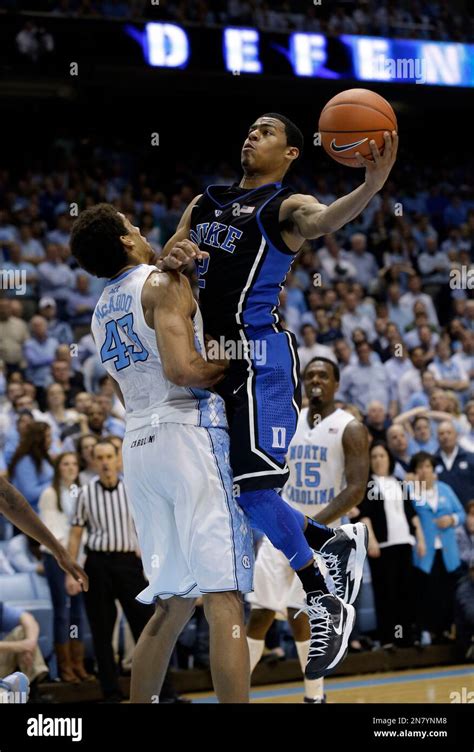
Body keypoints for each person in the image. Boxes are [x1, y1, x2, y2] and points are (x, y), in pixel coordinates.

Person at [162, 113, 397, 677]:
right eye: (250, 128)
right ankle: (328, 544)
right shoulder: (206, 202)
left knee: (254, 489)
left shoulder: (285, 205)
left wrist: (368, 187)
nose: (251, 134)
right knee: (247, 498)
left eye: (267, 132)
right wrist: (173, 257)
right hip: (216, 361)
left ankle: (321, 594)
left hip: (261, 358)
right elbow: (168, 252)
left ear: (291, 153)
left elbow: (320, 222)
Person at [70, 206, 253, 703]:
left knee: (171, 604)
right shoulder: (162, 284)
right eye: (133, 226)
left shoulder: (100, 310)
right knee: (224, 597)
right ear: (128, 241)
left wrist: (185, 228)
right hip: (188, 435)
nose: (141, 231)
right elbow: (183, 370)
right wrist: (243, 354)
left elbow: (137, 389)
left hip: (139, 444)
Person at [247, 357, 369, 701]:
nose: (315, 379)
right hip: (280, 529)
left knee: (305, 614)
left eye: (323, 375)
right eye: (309, 374)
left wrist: (316, 527)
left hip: (322, 537)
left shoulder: (351, 427)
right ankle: (236, 690)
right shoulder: (289, 419)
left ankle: (315, 696)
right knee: (259, 611)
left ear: (336, 383)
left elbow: (357, 488)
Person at [356, 442, 425, 648]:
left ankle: (406, 636)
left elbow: (412, 515)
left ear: (389, 458)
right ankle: (388, 638)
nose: (378, 460)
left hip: (404, 543)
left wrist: (420, 539)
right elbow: (364, 516)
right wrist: (373, 541)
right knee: (386, 593)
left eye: (382, 456)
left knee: (406, 591)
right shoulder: (368, 484)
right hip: (383, 546)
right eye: (374, 456)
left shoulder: (399, 483)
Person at [38, 452, 91, 683]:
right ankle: (64, 667)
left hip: (77, 558)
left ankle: (78, 664)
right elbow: (52, 531)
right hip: (56, 558)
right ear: (58, 468)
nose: (70, 468)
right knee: (62, 611)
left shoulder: (80, 492)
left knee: (77, 614)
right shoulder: (50, 494)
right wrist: (69, 563)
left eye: (74, 464)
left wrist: (78, 559)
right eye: (65, 464)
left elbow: (84, 530)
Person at [410, 451, 466, 644]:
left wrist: (451, 519)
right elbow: (408, 515)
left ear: (434, 470)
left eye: (427, 466)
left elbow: (462, 513)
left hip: (448, 549)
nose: (424, 471)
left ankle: (447, 630)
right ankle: (426, 631)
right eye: (419, 467)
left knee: (447, 590)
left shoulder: (445, 489)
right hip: (425, 550)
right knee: (426, 591)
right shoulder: (411, 491)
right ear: (415, 472)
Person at [8, 422, 54, 513]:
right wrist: (56, 483)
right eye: (48, 436)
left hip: (48, 510)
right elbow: (29, 493)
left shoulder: (43, 457)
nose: (51, 440)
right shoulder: (25, 461)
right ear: (38, 438)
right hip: (31, 518)